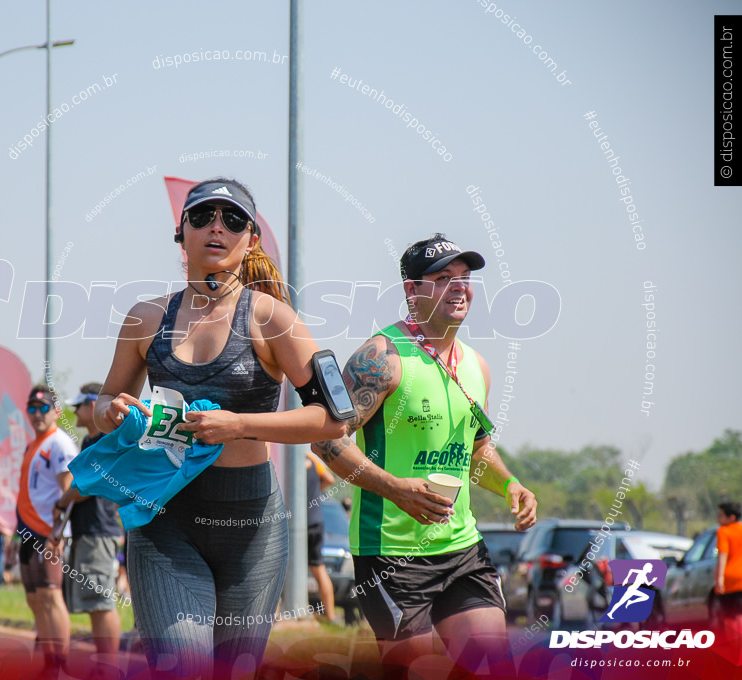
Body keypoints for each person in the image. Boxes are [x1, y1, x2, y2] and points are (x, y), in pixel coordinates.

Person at [95, 177, 346, 678]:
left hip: (252, 528)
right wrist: (111, 412)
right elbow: (105, 400)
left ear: (251, 239)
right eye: (203, 216)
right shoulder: (146, 318)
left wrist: (240, 425)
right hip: (164, 517)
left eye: (233, 220)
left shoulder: (274, 318)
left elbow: (332, 420)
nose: (217, 227)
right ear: (180, 232)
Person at [313, 233, 538, 676]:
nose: (460, 286)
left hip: (462, 549)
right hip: (391, 554)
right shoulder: (382, 357)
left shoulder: (476, 365)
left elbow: (477, 450)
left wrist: (510, 484)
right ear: (411, 291)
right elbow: (326, 441)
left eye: (465, 277)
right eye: (443, 278)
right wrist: (396, 490)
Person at [56, 383, 123, 680]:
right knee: (96, 603)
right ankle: (103, 665)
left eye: (78, 405)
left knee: (102, 603)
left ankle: (109, 667)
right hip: (89, 531)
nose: (74, 411)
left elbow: (86, 486)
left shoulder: (105, 440)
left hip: (99, 531)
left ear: (93, 404)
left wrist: (63, 499)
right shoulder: (88, 440)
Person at [17, 385, 79, 677]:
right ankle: (48, 657)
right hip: (28, 533)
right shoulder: (34, 444)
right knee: (34, 598)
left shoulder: (59, 443)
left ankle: (60, 664)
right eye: (32, 408)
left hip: (49, 533)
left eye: (43, 408)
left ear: (56, 412)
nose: (37, 413)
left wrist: (58, 534)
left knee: (52, 596)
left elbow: (69, 492)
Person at [306, 450, 338, 624]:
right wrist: (314, 493)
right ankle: (332, 617)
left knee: (281, 570)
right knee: (319, 567)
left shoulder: (283, 463)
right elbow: (330, 479)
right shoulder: (312, 459)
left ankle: (276, 615)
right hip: (315, 519)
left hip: (295, 523)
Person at [716, 501, 742, 639]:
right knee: (739, 614)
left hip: (730, 580)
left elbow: (722, 556)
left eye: (720, 516)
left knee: (729, 616)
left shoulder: (723, 531)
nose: (718, 519)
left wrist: (720, 579)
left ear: (731, 517)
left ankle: (734, 647)